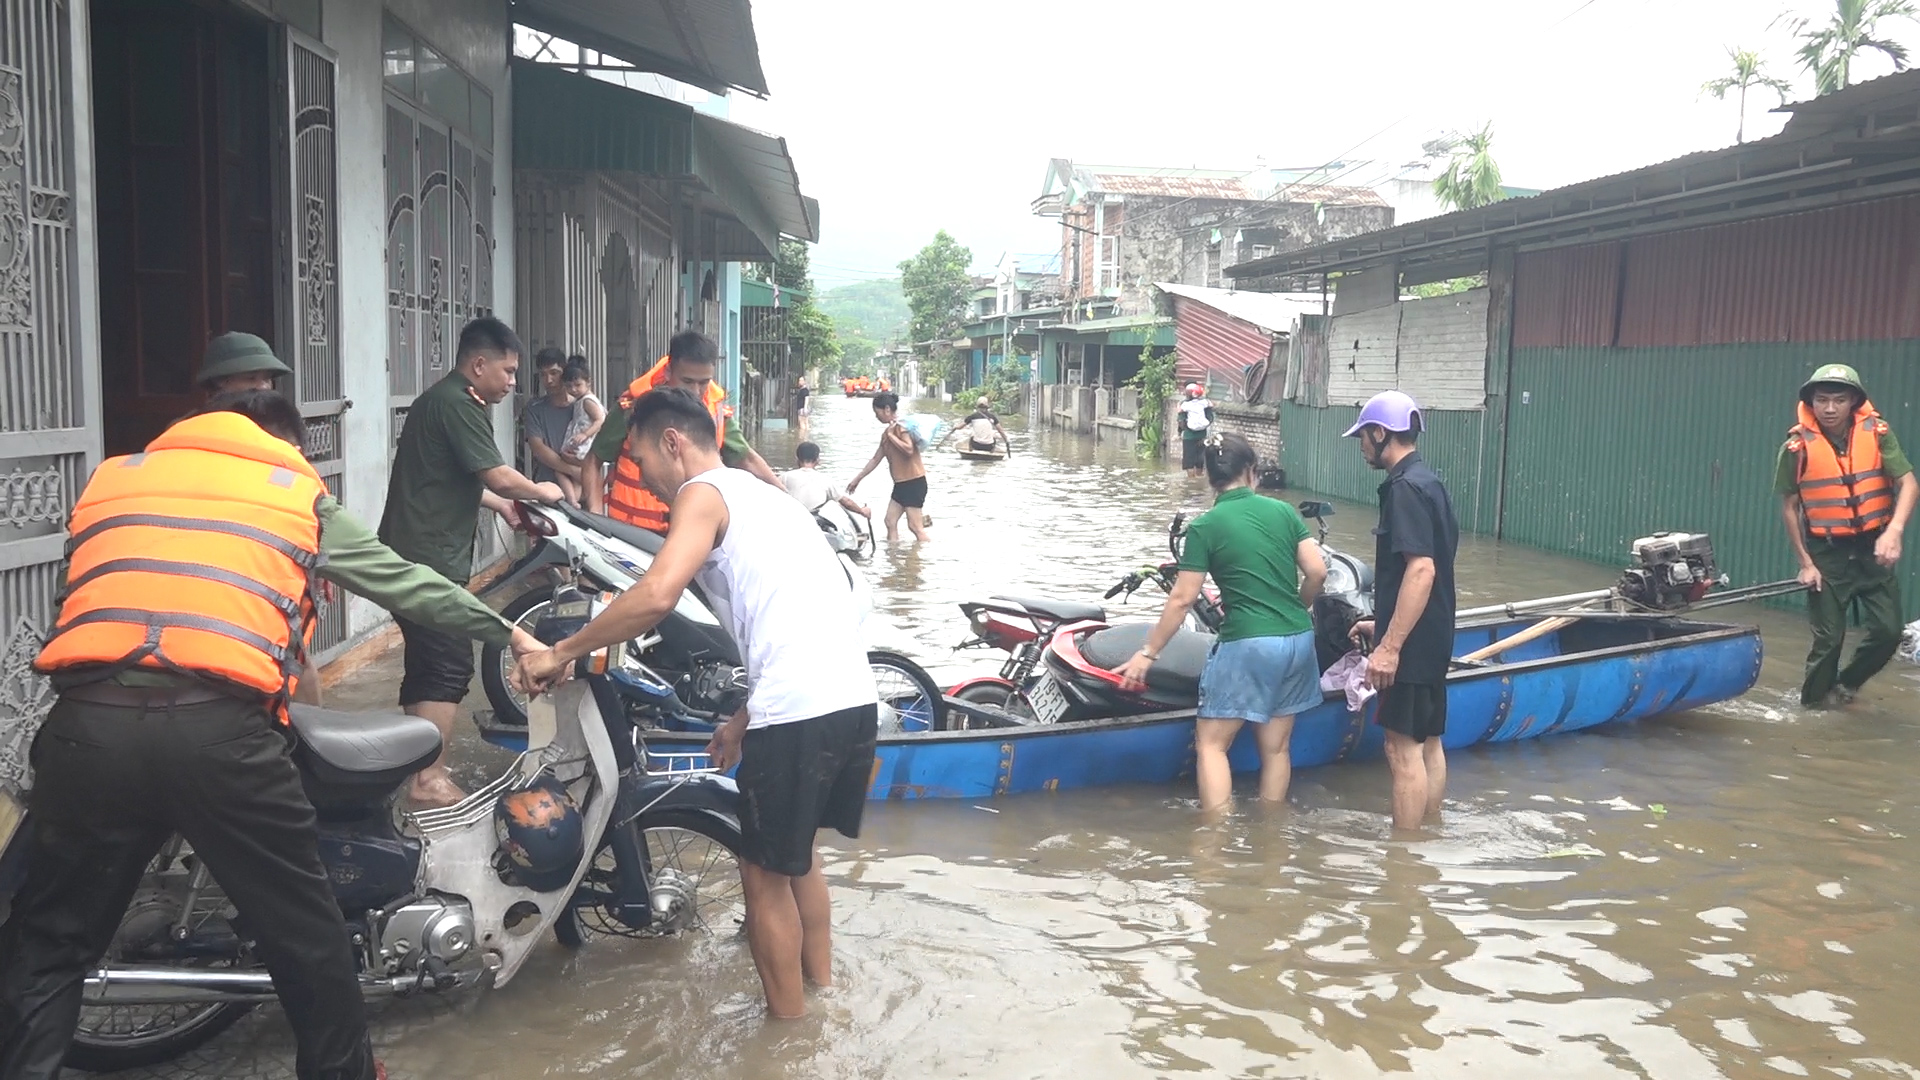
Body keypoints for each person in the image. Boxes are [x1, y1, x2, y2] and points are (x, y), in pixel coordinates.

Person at [1, 390, 549, 1080]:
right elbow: (408, 584)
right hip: (217, 737)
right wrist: (511, 631)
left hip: (87, 729)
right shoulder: (291, 493)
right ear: (283, 444)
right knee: (307, 940)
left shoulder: (115, 480)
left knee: (49, 948)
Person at [514, 389, 878, 1020]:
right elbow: (793, 622)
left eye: (640, 458)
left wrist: (558, 652)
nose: (644, 479)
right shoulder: (766, 496)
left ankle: (787, 1040)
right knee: (798, 860)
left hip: (796, 707)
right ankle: (823, 996)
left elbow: (657, 594)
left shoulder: (702, 494)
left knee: (762, 874)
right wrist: (741, 720)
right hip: (852, 698)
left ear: (673, 442)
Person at [380, 317, 563, 808]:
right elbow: (501, 475)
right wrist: (540, 489)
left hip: (412, 552)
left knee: (426, 664)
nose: (511, 382)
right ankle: (428, 780)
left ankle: (410, 768)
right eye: (506, 371)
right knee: (448, 664)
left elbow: (448, 476)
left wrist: (499, 505)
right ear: (478, 364)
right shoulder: (458, 404)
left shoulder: (445, 400)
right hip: (427, 558)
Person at [1112, 432, 1327, 812]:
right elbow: (1317, 572)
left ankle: (1215, 847)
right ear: (1251, 472)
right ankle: (1271, 836)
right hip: (1297, 639)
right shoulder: (1284, 512)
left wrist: (1148, 652)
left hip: (1248, 642)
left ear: (1209, 476)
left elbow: (1182, 599)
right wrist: (1297, 607)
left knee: (1212, 745)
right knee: (1276, 748)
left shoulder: (1205, 526)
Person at [1342, 390, 1458, 833]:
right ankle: (1429, 833)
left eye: (1363, 437)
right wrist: (1384, 619)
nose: (1361, 446)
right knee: (1428, 744)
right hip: (1433, 634)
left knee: (1400, 749)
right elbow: (1433, 566)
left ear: (1379, 433)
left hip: (1410, 648)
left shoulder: (1404, 488)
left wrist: (1390, 645)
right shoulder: (1429, 481)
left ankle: (1404, 865)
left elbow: (1422, 570)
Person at [1777, 363, 1918, 707]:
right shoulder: (1797, 448)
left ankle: (1845, 688)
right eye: (1821, 400)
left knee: (1888, 632)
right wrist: (1805, 562)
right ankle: (1810, 711)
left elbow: (1909, 483)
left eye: (1838, 400)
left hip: (1873, 548)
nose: (1829, 408)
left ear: (1853, 401)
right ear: (1810, 403)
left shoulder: (1878, 433)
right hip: (1827, 555)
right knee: (1829, 641)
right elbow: (1789, 507)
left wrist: (1894, 532)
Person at [579, 330, 783, 530]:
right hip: (632, 532)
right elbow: (593, 460)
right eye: (687, 381)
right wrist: (596, 519)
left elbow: (746, 459)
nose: (696, 391)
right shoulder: (633, 407)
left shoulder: (717, 411)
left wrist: (787, 499)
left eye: (704, 382)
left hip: (692, 528)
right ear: (668, 371)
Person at [849, 390, 931, 543]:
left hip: (913, 482)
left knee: (915, 526)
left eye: (877, 412)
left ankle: (924, 558)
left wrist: (892, 436)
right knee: (890, 521)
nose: (876, 416)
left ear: (887, 409)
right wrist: (857, 479)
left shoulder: (901, 427)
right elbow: (875, 459)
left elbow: (908, 449)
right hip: (901, 485)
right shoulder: (887, 433)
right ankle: (893, 555)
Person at [522, 346, 583, 503]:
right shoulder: (534, 408)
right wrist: (573, 470)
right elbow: (538, 449)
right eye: (543, 375)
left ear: (565, 372)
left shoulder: (582, 406)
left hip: (584, 489)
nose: (548, 380)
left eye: (554, 373)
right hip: (546, 491)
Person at [785, 441, 870, 521]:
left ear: (797, 459)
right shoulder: (825, 479)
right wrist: (862, 511)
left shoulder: (784, 477)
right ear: (818, 460)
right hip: (814, 521)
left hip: (792, 519)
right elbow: (846, 502)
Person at [196, 330, 295, 395]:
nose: (263, 387)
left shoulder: (279, 424)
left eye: (267, 379)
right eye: (251, 378)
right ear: (220, 381)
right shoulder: (202, 425)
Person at [558, 359, 607, 465]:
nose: (573, 389)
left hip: (585, 446)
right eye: (569, 386)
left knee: (567, 466)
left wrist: (585, 435)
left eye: (577, 385)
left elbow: (600, 420)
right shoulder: (579, 400)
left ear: (588, 382)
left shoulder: (587, 401)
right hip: (580, 444)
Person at [1177, 383, 1215, 478]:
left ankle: (1191, 480)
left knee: (1189, 460)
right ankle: (1199, 476)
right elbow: (1211, 411)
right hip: (1202, 435)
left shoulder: (1185, 404)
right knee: (1200, 459)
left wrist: (1179, 433)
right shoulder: (1204, 403)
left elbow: (1181, 419)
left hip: (1189, 436)